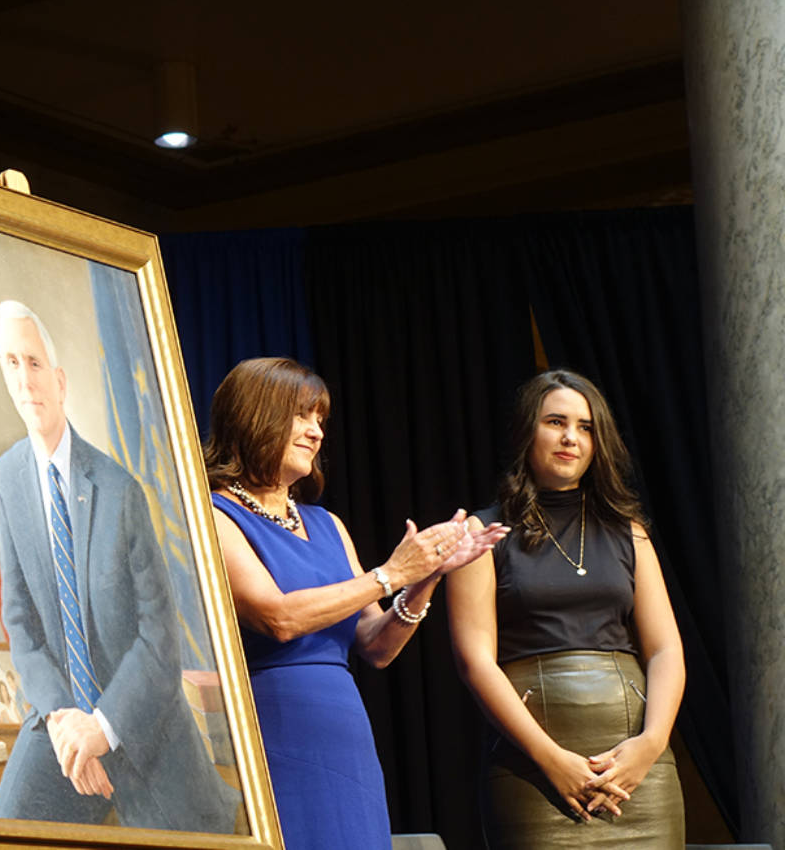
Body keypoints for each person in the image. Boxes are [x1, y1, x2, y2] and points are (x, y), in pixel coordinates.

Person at [204, 357, 507, 849]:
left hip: (344, 736)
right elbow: (278, 618)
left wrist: (426, 575)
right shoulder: (214, 515)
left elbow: (376, 645)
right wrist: (389, 574)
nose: (316, 432)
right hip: (274, 729)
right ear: (255, 416)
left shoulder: (328, 524)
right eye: (302, 415)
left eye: (320, 420)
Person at [0, 300, 237, 833]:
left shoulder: (120, 490)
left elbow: (159, 640)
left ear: (58, 380)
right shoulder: (7, 476)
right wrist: (62, 719)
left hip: (140, 723)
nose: (24, 379)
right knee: (3, 832)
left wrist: (102, 727)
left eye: (33, 363)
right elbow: (21, 624)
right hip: (59, 726)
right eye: (11, 363)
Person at [447, 369, 685, 848]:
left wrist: (651, 745)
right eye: (556, 422)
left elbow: (665, 651)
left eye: (586, 426)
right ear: (527, 431)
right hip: (533, 769)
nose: (571, 438)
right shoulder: (481, 533)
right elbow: (475, 662)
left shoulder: (629, 531)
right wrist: (549, 758)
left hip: (637, 769)